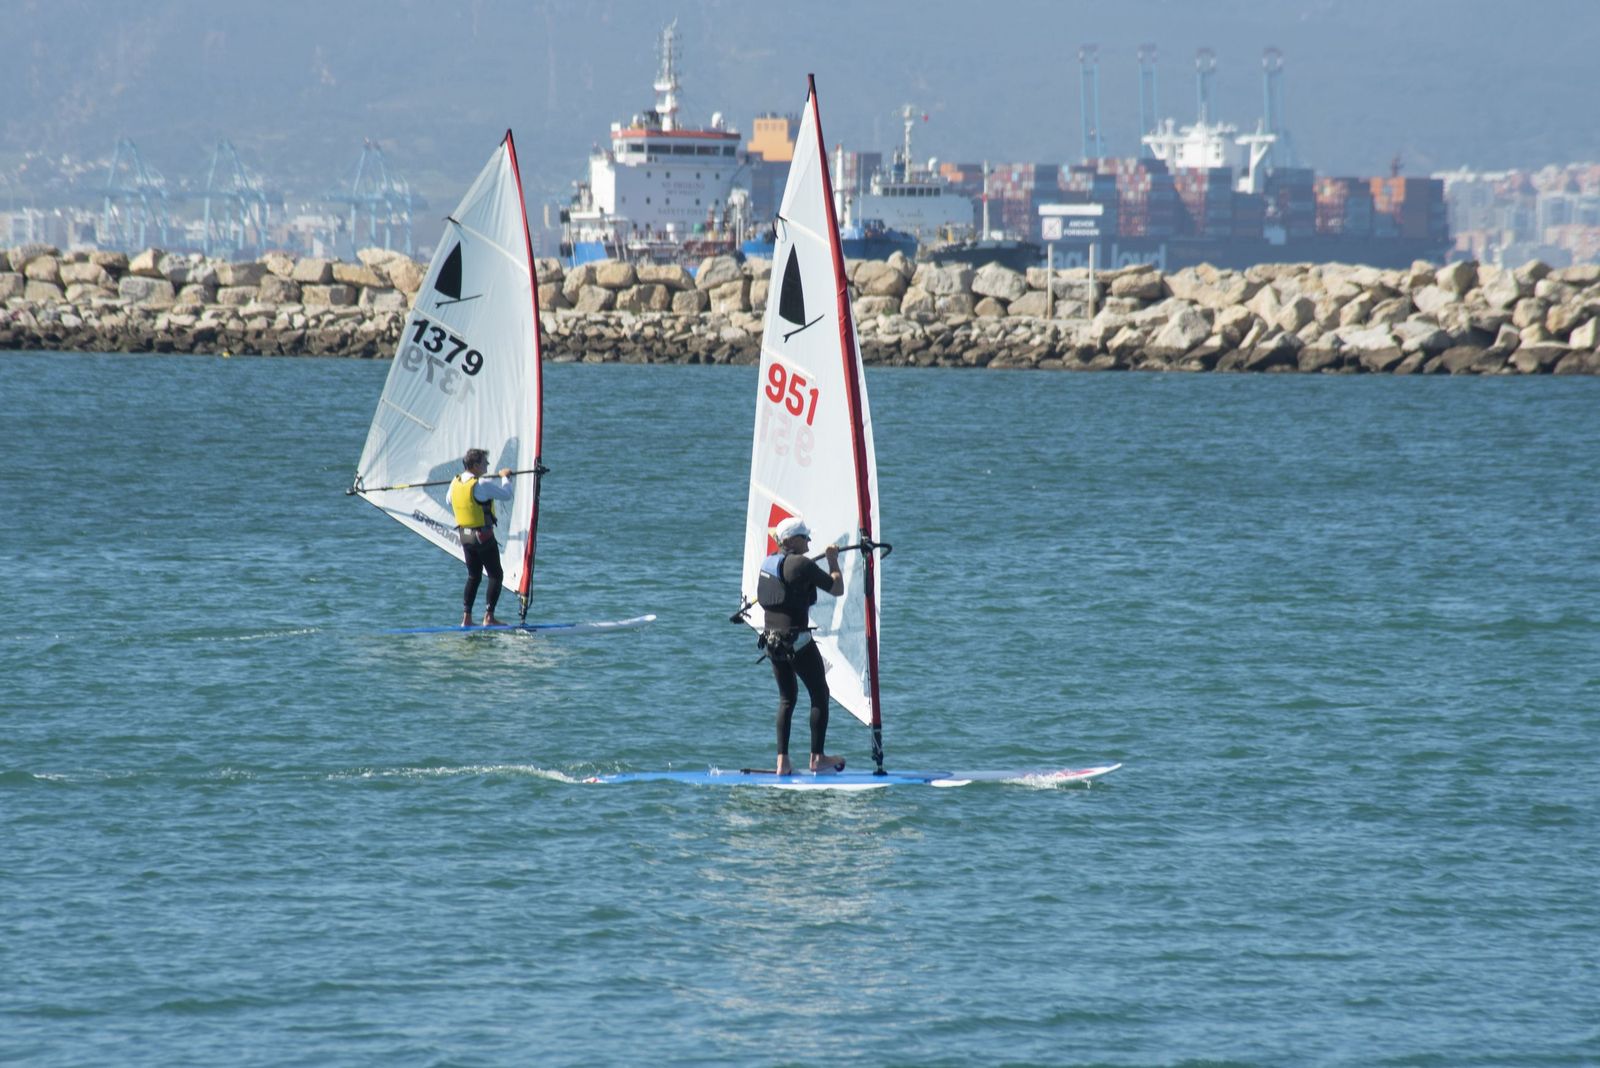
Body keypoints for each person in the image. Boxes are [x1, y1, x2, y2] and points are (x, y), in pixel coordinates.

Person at [757, 516, 847, 775]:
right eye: (805, 537)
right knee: (820, 693)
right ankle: (817, 758)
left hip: (771, 642)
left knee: (787, 699)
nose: (809, 541)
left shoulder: (768, 563)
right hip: (796, 641)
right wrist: (832, 560)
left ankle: (782, 762)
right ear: (793, 540)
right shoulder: (802, 564)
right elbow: (837, 588)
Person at [449, 448, 515, 626]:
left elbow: (449, 500)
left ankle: (467, 618)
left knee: (473, 576)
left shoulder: (455, 482)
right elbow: (506, 494)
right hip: (483, 537)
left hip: (465, 536)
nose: (487, 465)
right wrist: (505, 478)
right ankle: (489, 617)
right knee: (495, 575)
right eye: (485, 463)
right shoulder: (482, 484)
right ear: (476, 465)